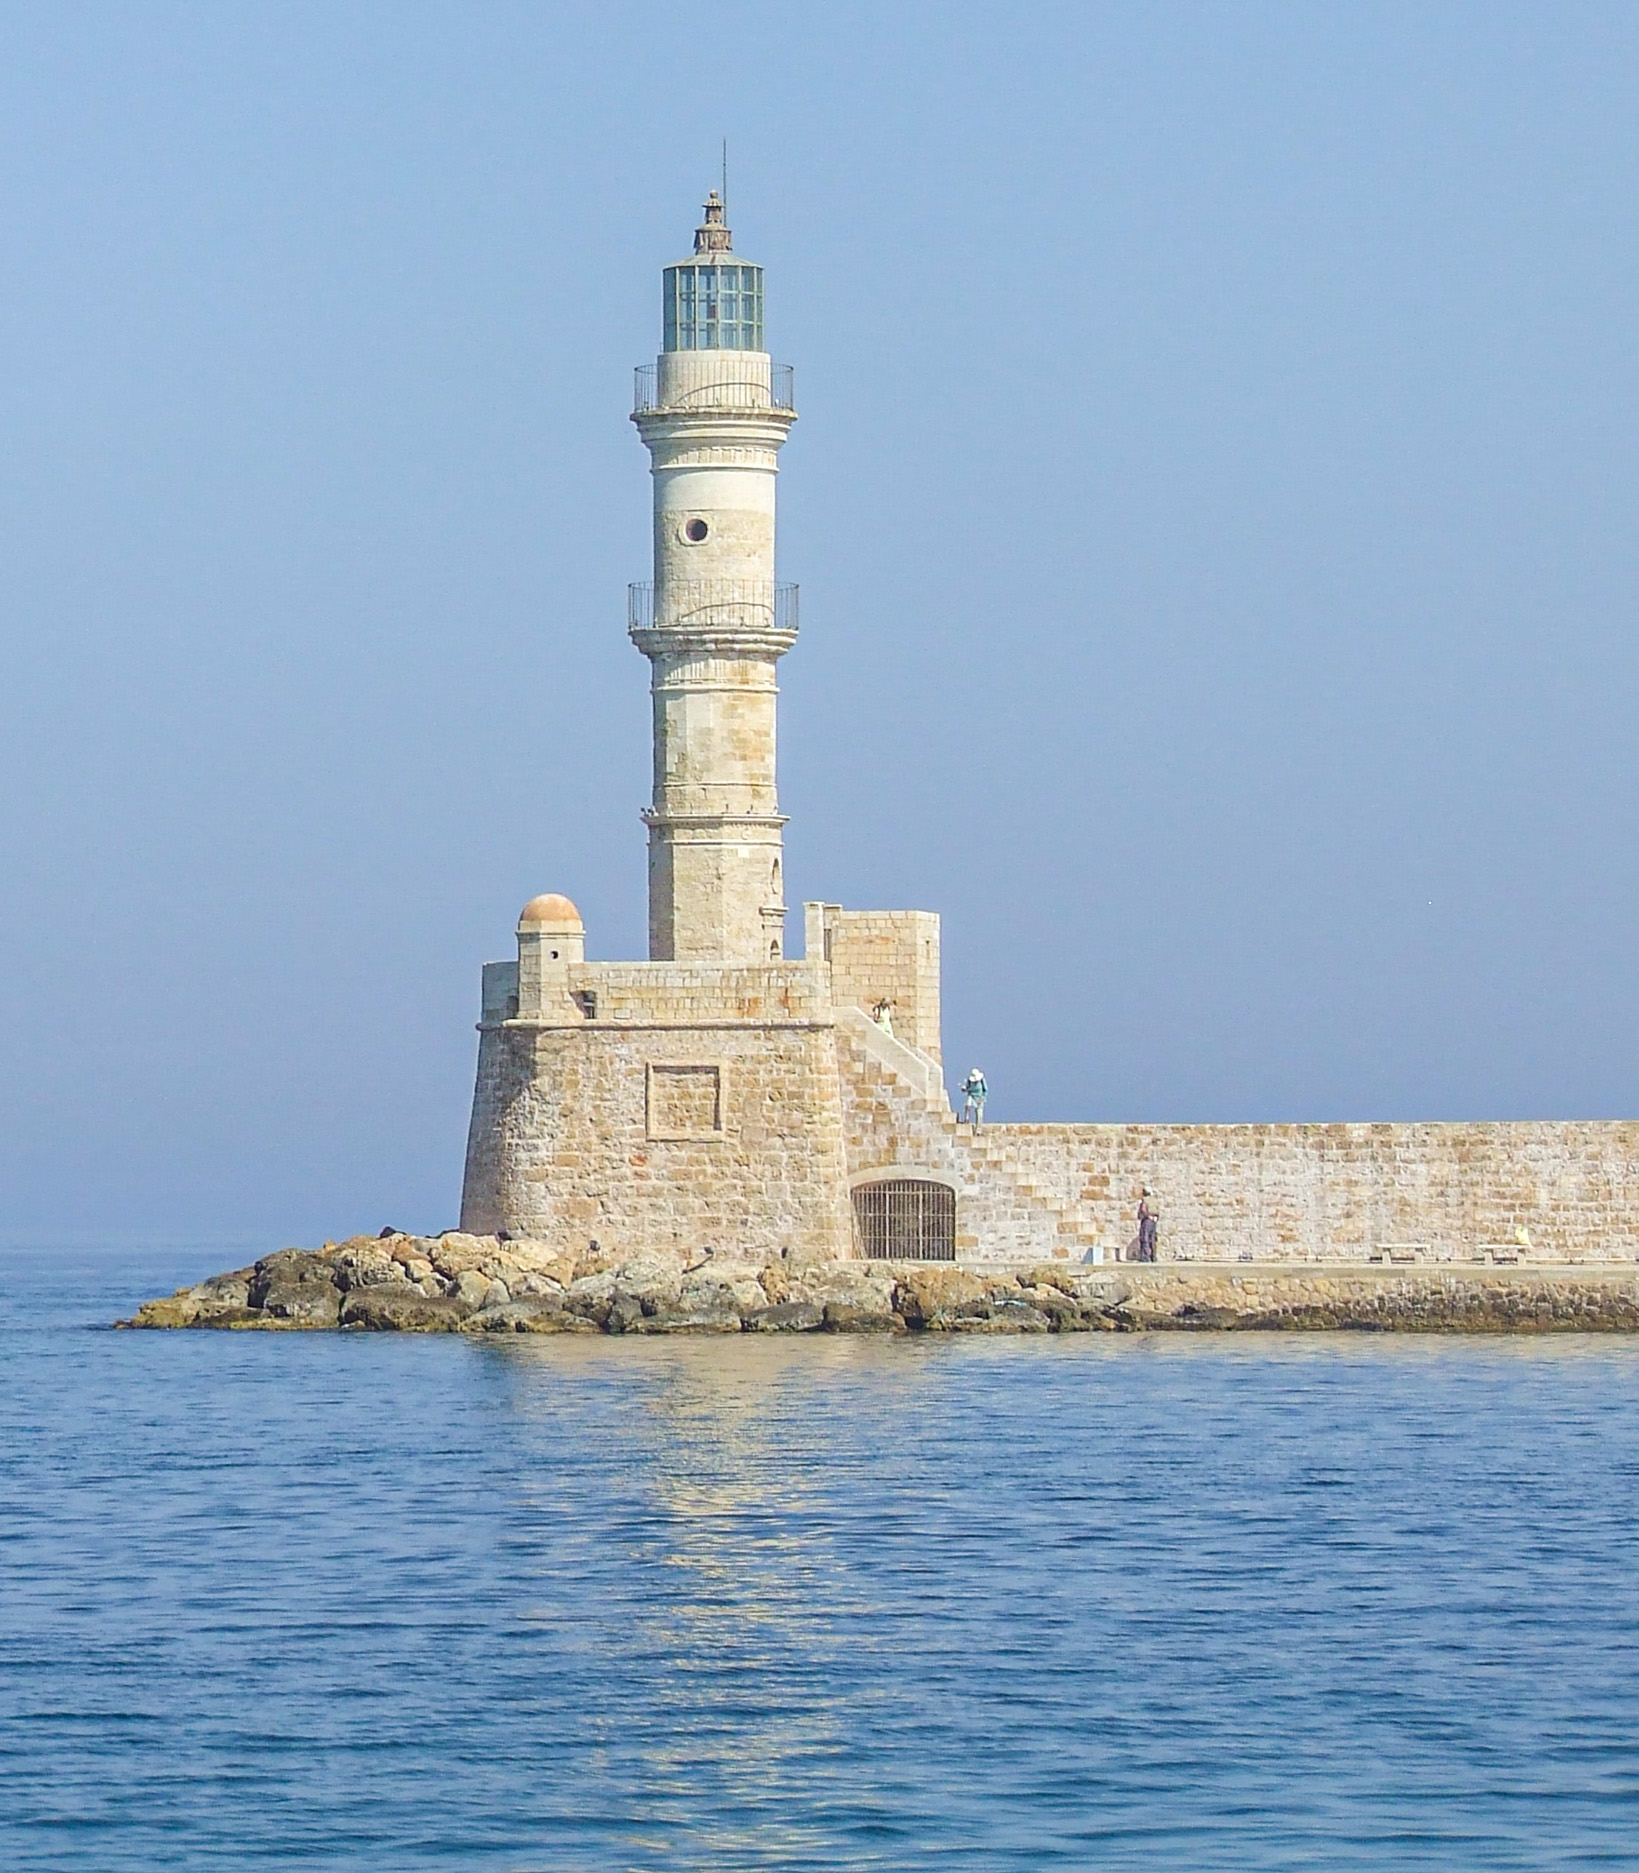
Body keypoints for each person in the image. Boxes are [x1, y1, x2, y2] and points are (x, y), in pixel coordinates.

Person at [960, 1067, 988, 1132]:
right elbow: (967, 1087)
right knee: (968, 1105)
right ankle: (966, 1118)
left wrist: (982, 1098)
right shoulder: (969, 1081)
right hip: (971, 1095)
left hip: (979, 1097)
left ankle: (978, 1130)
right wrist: (964, 1089)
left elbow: (985, 1090)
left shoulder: (981, 1080)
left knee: (979, 1114)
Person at [1137, 1187, 1160, 1263]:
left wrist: (1146, 1216)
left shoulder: (1144, 1200)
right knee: (1152, 1239)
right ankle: (1153, 1256)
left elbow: (1143, 1209)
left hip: (1147, 1220)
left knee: (1145, 1238)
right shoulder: (1155, 1200)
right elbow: (1158, 1210)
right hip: (1154, 1220)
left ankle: (1146, 1257)